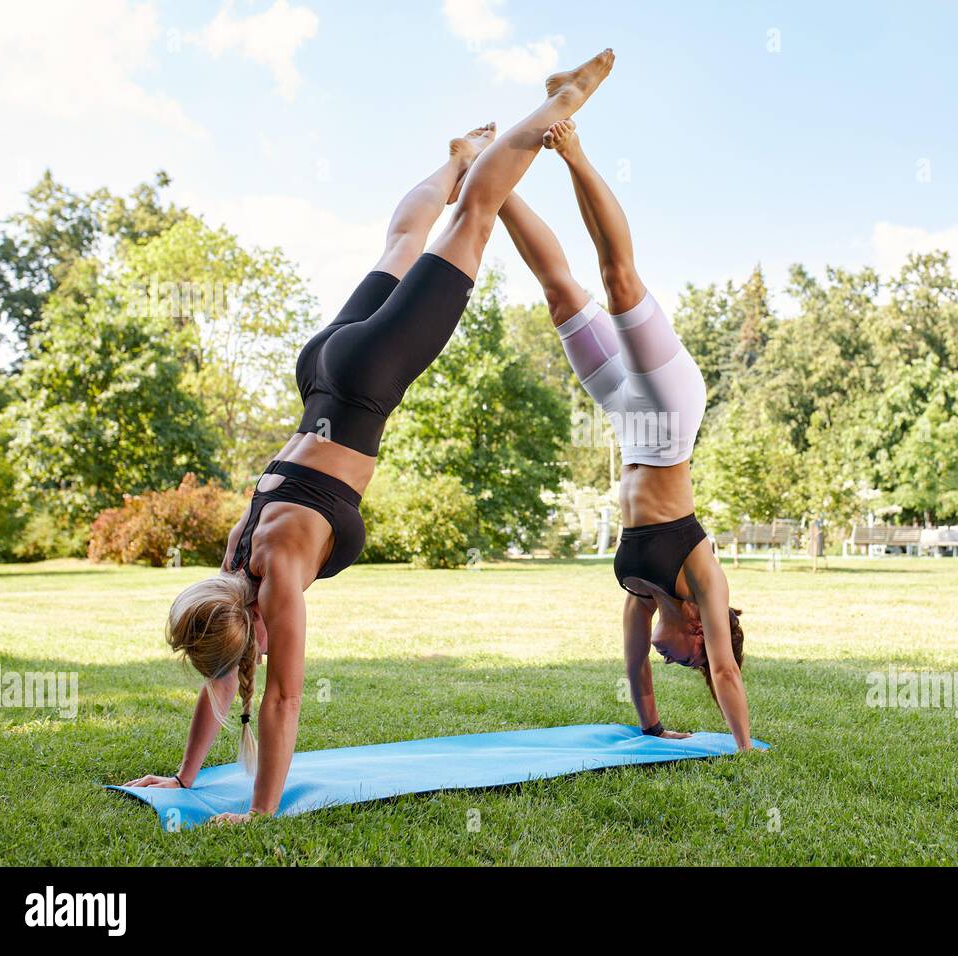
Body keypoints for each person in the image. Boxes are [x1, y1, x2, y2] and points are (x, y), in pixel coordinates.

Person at [121, 51, 617, 823]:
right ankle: (455, 158)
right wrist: (183, 780)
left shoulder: (277, 574)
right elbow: (225, 679)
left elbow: (280, 699)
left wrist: (256, 814)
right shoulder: (233, 566)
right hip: (319, 374)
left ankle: (559, 102)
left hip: (365, 380)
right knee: (400, 242)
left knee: (473, 219)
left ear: (244, 624)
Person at [497, 119, 751, 751]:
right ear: (699, 631)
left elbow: (635, 666)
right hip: (669, 409)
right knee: (619, 284)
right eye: (686, 661)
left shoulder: (641, 593)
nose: (679, 665)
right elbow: (726, 670)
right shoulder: (704, 578)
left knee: (561, 296)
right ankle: (574, 152)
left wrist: (655, 729)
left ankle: (491, 179)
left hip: (626, 417)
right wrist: (742, 745)